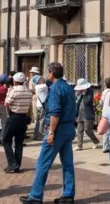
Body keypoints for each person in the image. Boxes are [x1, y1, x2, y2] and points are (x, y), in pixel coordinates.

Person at [20, 62, 76, 204]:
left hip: (58, 129)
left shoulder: (56, 89)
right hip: (69, 127)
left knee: (43, 163)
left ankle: (35, 195)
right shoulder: (68, 87)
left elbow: (55, 113)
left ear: (51, 73)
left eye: (48, 72)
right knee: (68, 163)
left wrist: (51, 132)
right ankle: (68, 195)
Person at [2, 72, 32, 173]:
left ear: (15, 81)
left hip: (14, 116)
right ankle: (17, 164)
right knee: (19, 142)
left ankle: (12, 163)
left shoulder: (14, 91)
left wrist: (8, 93)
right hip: (23, 118)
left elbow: (6, 103)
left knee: (6, 140)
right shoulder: (28, 91)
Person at [74, 78, 100, 151]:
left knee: (87, 129)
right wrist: (77, 95)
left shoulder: (90, 91)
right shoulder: (78, 92)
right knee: (79, 129)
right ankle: (79, 145)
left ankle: (96, 141)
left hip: (87, 113)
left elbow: (88, 102)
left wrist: (84, 94)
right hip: (80, 113)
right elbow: (76, 102)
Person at [99, 77, 110, 153]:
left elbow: (101, 102)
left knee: (105, 130)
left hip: (104, 112)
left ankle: (105, 146)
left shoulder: (104, 92)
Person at [33, 75, 49, 141]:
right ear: (38, 81)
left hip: (39, 105)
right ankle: (40, 136)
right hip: (41, 105)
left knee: (38, 121)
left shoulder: (37, 86)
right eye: (41, 78)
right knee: (42, 120)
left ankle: (35, 135)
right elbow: (48, 85)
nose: (42, 79)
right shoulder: (41, 86)